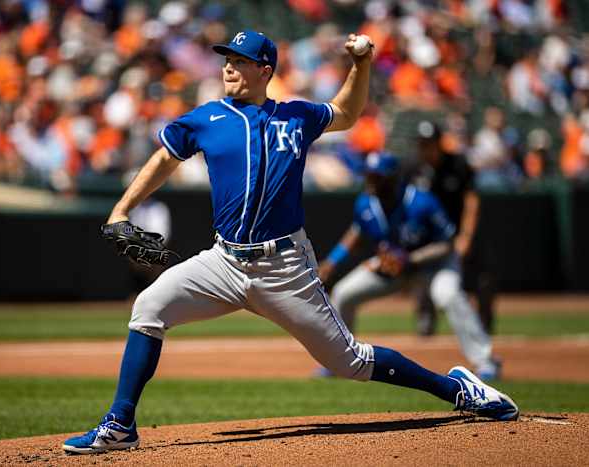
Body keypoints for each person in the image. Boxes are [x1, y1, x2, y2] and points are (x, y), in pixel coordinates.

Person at [62, 30, 518, 455]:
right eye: (226, 61)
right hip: (223, 262)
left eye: (240, 62)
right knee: (149, 308)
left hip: (285, 268)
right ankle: (120, 423)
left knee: (351, 363)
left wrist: (360, 65)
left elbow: (347, 113)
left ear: (265, 70)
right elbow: (164, 157)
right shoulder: (206, 119)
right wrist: (121, 210)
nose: (228, 69)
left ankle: (458, 388)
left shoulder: (295, 115)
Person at [317, 151, 499, 381]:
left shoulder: (421, 201)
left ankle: (485, 361)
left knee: (449, 295)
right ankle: (339, 361)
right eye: (369, 175)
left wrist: (410, 259)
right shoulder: (366, 202)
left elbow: (446, 245)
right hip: (393, 268)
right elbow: (356, 233)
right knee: (343, 293)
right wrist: (333, 261)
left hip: (434, 266)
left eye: (377, 176)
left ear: (393, 178)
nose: (370, 181)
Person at [410, 120, 497, 344]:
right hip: (432, 237)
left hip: (461, 230)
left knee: (482, 278)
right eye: (422, 144)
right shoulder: (416, 168)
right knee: (423, 277)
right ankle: (426, 320)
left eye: (429, 144)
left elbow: (471, 200)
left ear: (439, 143)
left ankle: (485, 323)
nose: (425, 149)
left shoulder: (457, 163)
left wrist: (466, 236)